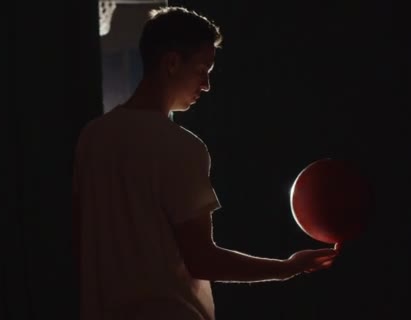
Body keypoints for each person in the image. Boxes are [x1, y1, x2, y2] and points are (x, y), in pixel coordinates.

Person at [73, 6, 339, 320]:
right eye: (203, 70)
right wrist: (287, 268)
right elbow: (202, 260)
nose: (206, 85)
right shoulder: (181, 146)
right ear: (172, 63)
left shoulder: (93, 137)